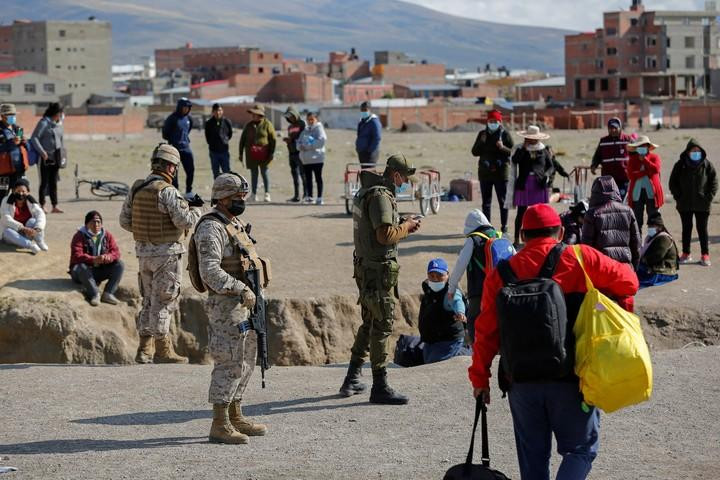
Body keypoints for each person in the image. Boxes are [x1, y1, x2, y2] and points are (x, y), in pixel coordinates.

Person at [469, 204, 639, 480]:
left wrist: (480, 379)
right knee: (580, 450)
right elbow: (629, 283)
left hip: (520, 383)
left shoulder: (500, 273)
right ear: (561, 232)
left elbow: (485, 333)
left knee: (533, 461)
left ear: (522, 235)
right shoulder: (581, 258)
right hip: (571, 379)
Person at [339, 153, 422, 404]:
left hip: (367, 268)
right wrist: (406, 228)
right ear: (395, 175)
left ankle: (352, 378)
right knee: (382, 324)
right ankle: (380, 385)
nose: (405, 182)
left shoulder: (368, 192)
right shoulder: (380, 196)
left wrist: (401, 223)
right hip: (378, 271)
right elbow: (385, 235)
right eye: (404, 178)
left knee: (369, 322)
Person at [194, 173, 268, 444]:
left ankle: (236, 414)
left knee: (247, 359)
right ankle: (220, 423)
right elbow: (209, 272)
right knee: (228, 361)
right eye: (237, 197)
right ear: (222, 198)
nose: (241, 201)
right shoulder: (211, 228)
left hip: (245, 305)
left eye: (243, 197)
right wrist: (240, 288)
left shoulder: (232, 223)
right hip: (226, 306)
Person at [119, 143, 202, 364]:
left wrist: (145, 231)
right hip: (167, 254)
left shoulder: (137, 187)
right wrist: (195, 209)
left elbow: (125, 221)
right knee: (164, 301)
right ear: (170, 167)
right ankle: (163, 350)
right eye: (174, 167)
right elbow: (184, 221)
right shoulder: (167, 191)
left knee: (147, 300)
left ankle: (144, 349)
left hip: (143, 254)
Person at [448, 209, 510, 343]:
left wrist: (452, 288)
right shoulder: (500, 236)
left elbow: (460, 264)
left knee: (474, 320)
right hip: (501, 288)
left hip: (479, 291)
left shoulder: (473, 239)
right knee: (498, 321)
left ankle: (477, 351)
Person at [669, 138, 718, 267]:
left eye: (698, 151)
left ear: (701, 152)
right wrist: (678, 196)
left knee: (702, 229)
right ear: (688, 151)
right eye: (693, 150)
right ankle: (686, 253)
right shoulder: (680, 165)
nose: (695, 153)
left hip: (703, 205)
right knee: (686, 228)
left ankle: (705, 254)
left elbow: (714, 182)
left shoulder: (707, 165)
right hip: (684, 204)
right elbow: (672, 183)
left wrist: (708, 197)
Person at [582, 176, 641, 270]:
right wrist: (633, 268)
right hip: (625, 269)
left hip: (602, 269)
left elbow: (586, 247)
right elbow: (636, 244)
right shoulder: (628, 211)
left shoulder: (592, 214)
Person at [419, 258, 470, 364]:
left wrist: (460, 312)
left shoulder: (451, 291)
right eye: (432, 276)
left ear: (447, 275)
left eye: (439, 276)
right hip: (431, 341)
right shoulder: (428, 290)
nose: (435, 279)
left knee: (435, 364)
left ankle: (468, 353)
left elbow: (457, 301)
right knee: (428, 362)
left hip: (449, 341)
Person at [511, 125, 555, 247]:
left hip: (539, 184)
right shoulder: (521, 149)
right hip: (524, 184)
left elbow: (551, 166)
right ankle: (516, 238)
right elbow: (514, 160)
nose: (531, 140)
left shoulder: (544, 150)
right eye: (529, 138)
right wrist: (523, 149)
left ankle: (541, 238)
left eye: (533, 138)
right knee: (521, 213)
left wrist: (546, 175)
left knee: (540, 212)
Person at [69, 210, 124, 306]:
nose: (96, 224)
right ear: (86, 224)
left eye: (98, 221)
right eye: (93, 221)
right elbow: (77, 255)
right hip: (82, 273)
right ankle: (94, 294)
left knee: (120, 264)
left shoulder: (107, 235)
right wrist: (93, 259)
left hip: (99, 270)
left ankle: (108, 293)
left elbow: (116, 252)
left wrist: (109, 257)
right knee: (81, 267)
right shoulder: (79, 236)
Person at [471, 110, 514, 233]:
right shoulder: (482, 134)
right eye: (491, 121)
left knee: (502, 201)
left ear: (500, 122)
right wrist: (481, 141)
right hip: (485, 173)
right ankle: (487, 227)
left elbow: (513, 152)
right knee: (486, 202)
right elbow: (474, 152)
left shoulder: (505, 134)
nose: (493, 123)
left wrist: (502, 147)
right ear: (487, 122)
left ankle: (504, 227)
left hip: (501, 173)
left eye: (495, 121)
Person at [31, 102, 65, 213]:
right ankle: (42, 205)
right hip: (45, 158)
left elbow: (61, 140)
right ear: (56, 113)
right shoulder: (43, 123)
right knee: (44, 182)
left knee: (53, 182)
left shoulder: (58, 124)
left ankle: (54, 205)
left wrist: (63, 155)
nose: (62, 115)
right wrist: (42, 152)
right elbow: (34, 138)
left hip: (56, 157)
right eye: (60, 113)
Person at [627, 135, 664, 235]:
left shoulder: (654, 157)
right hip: (636, 194)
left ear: (648, 147)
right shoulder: (632, 159)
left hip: (652, 193)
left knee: (653, 219)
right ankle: (637, 244)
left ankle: (653, 242)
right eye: (640, 146)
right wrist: (645, 172)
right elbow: (631, 175)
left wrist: (645, 161)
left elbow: (656, 169)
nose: (642, 148)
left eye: (644, 146)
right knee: (637, 220)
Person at [238, 104, 275, 203]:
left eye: (255, 114)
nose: (253, 116)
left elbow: (273, 139)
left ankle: (267, 194)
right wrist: (241, 153)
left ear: (260, 115)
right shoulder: (248, 125)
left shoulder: (267, 124)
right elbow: (242, 140)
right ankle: (254, 194)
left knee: (264, 173)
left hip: (265, 154)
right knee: (254, 174)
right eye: (253, 114)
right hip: (251, 155)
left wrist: (271, 153)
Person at [0, 178, 47, 254]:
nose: (21, 193)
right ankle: (30, 245)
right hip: (13, 235)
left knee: (33, 221)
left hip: (28, 233)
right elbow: (5, 218)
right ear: (13, 191)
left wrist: (37, 229)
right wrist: (22, 228)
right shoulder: (6, 200)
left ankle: (40, 241)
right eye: (18, 191)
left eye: (23, 191)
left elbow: (41, 214)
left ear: (28, 192)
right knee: (7, 231)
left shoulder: (31, 201)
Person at [590, 117, 632, 200]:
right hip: (607, 179)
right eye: (611, 128)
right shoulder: (603, 141)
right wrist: (594, 165)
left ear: (620, 128)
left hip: (623, 178)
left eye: (615, 128)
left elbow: (636, 154)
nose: (613, 130)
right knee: (609, 201)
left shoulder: (627, 140)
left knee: (621, 200)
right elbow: (597, 156)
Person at [162, 97, 195, 194]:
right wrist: (174, 140)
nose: (186, 109)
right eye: (185, 107)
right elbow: (165, 133)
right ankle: (176, 191)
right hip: (174, 149)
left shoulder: (189, 119)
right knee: (173, 172)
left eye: (188, 107)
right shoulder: (172, 118)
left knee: (190, 170)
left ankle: (189, 191)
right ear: (180, 107)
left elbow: (187, 130)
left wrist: (183, 138)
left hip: (186, 148)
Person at [637, 212, 679, 288]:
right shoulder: (651, 238)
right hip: (654, 266)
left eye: (652, 226)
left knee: (639, 279)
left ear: (660, 227)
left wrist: (643, 260)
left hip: (665, 271)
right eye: (649, 226)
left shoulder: (664, 238)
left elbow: (657, 256)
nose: (650, 228)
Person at [297, 112, 327, 205]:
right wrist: (300, 146)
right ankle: (310, 197)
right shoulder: (305, 130)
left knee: (318, 178)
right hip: (306, 160)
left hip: (317, 158)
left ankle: (319, 197)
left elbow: (321, 141)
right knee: (308, 178)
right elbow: (299, 142)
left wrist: (308, 147)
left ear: (316, 119)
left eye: (312, 119)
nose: (310, 121)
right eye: (308, 119)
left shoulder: (319, 129)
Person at [0, 104, 28, 202]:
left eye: (14, 114)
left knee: (18, 194)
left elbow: (25, 148)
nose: (13, 117)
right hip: (4, 170)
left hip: (19, 169)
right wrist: (11, 143)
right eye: (10, 115)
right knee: (2, 195)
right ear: (3, 116)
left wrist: (25, 142)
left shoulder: (17, 128)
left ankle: (15, 216)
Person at [282, 106, 307, 202]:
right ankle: (296, 196)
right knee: (294, 175)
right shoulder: (290, 127)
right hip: (291, 153)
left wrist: (292, 140)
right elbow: (291, 138)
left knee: (303, 174)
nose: (290, 118)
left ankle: (306, 195)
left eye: (291, 116)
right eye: (288, 116)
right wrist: (288, 141)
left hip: (300, 153)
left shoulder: (302, 124)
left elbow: (303, 137)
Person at [204, 103, 233, 179]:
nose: (218, 112)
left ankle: (227, 190)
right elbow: (207, 137)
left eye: (219, 110)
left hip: (224, 151)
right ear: (213, 112)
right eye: (216, 110)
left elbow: (230, 134)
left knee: (227, 172)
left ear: (222, 111)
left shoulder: (227, 122)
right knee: (216, 173)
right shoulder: (208, 123)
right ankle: (218, 190)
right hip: (214, 152)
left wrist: (224, 141)